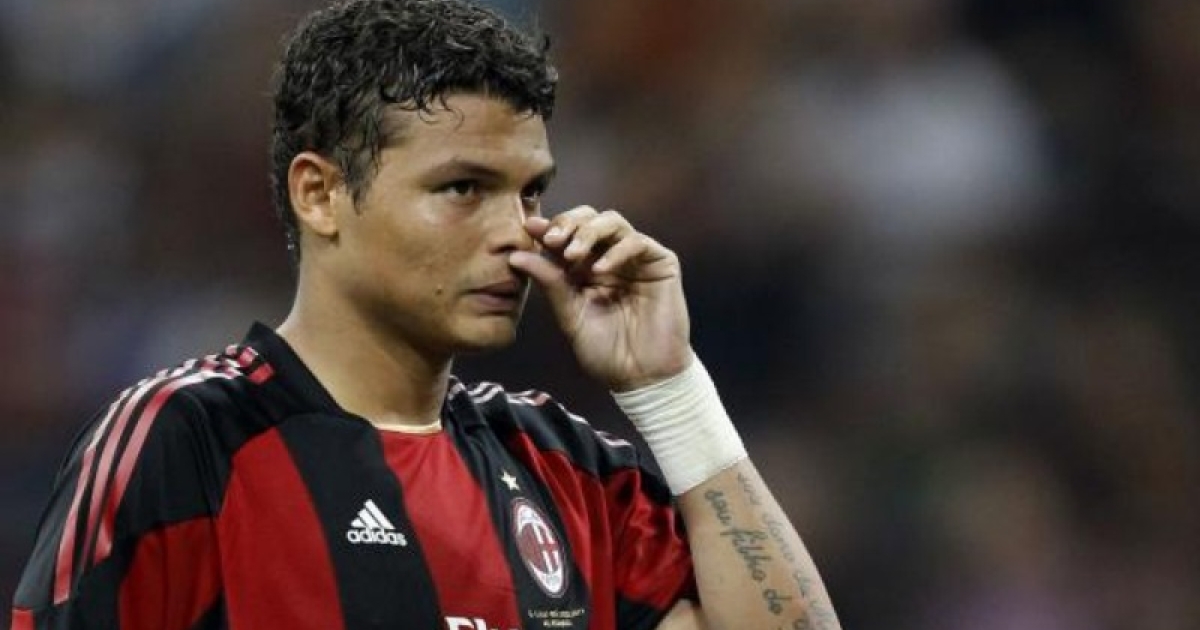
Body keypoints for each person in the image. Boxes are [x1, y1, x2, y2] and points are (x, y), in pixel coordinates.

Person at [10, 1, 841, 629]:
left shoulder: (569, 471)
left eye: (531, 194)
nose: (518, 233)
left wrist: (671, 390)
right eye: (463, 188)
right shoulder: (190, 439)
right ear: (320, 194)